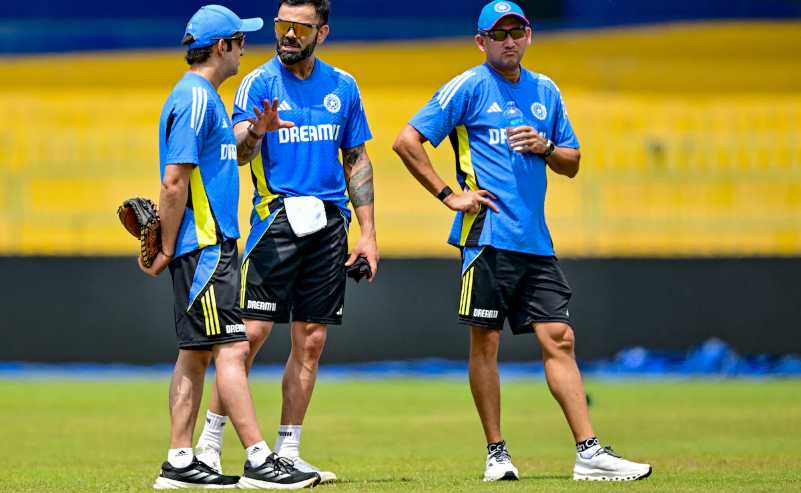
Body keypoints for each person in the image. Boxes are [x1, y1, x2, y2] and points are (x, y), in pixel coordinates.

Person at [393, 0, 652, 483]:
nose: (509, 41)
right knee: (486, 342)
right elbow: (406, 140)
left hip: (535, 241)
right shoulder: (469, 86)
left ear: (529, 35)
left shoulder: (545, 90)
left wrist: (546, 146)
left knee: (561, 339)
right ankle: (496, 454)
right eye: (498, 34)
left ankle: (589, 453)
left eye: (516, 32)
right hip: (487, 237)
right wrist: (449, 195)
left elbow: (572, 161)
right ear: (481, 42)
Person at [193, 0, 377, 483]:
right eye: (282, 25)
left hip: (330, 224)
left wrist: (368, 233)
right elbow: (237, 151)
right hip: (275, 220)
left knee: (311, 339)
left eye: (300, 27)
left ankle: (288, 451)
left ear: (322, 32)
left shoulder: (344, 86)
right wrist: (257, 129)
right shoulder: (259, 83)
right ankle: (209, 444)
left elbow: (356, 159)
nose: (289, 35)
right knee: (249, 335)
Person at [143, 4, 320, 489]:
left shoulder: (203, 98)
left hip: (204, 245)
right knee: (232, 348)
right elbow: (174, 181)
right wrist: (168, 246)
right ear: (222, 47)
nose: (245, 48)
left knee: (195, 353)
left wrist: (257, 131)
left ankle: (180, 460)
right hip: (205, 246)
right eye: (240, 41)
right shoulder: (197, 99)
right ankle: (260, 459)